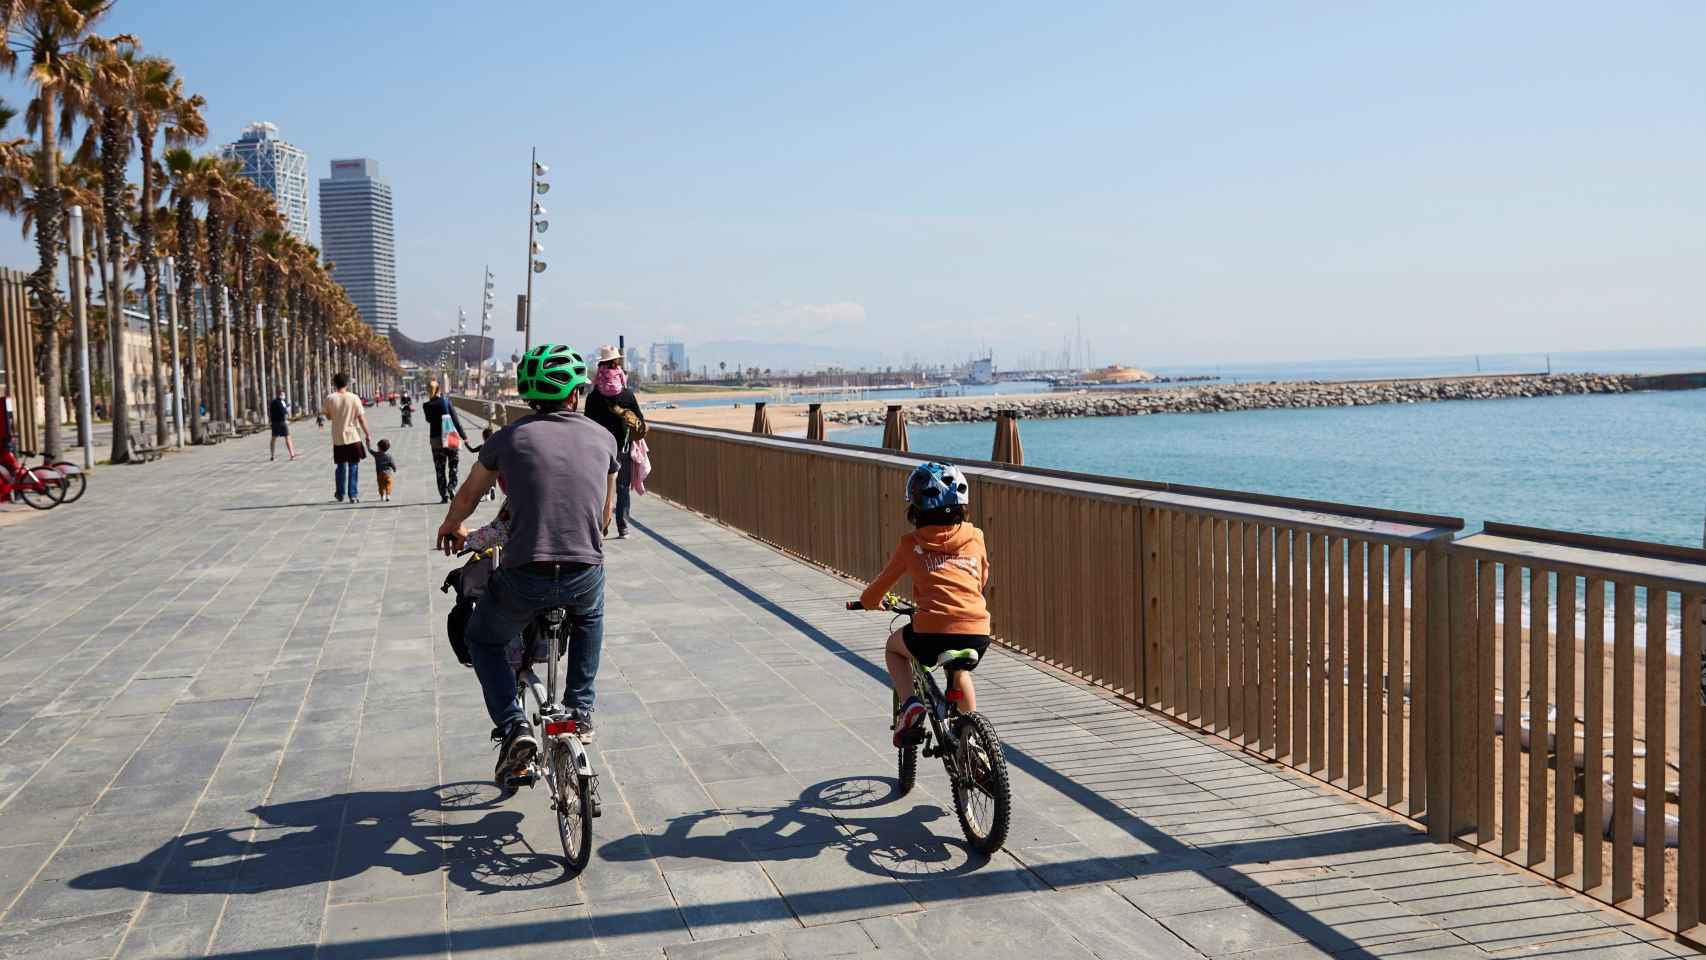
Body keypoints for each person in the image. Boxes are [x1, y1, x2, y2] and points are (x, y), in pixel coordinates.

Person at [436, 343, 617, 782]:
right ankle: (581, 707)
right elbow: (606, 516)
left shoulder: (508, 438)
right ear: (576, 393)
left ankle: (514, 725)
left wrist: (451, 526)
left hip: (524, 574)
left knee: (484, 639)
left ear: (530, 396)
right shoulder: (604, 438)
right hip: (582, 569)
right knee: (590, 616)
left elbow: (469, 494)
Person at [856, 462, 993, 747]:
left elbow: (878, 589)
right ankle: (974, 745)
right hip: (977, 629)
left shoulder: (910, 544)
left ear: (915, 510)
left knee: (894, 648)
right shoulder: (975, 537)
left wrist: (868, 602)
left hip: (931, 633)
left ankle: (910, 705)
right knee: (960, 671)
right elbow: (982, 577)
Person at [584, 345, 646, 538]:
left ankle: (600, 525)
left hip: (598, 449)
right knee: (622, 489)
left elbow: (586, 423)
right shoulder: (627, 395)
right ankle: (623, 527)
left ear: (600, 366)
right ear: (617, 365)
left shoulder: (594, 397)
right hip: (623, 447)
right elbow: (640, 421)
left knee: (600, 489)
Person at [324, 372, 372, 503]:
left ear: (334, 384)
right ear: (347, 384)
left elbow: (328, 416)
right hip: (353, 437)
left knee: (340, 466)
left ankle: (340, 493)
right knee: (353, 466)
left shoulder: (330, 398)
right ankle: (353, 495)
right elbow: (361, 418)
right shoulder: (354, 398)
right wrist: (368, 434)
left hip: (338, 437)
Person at [423, 381, 471, 503]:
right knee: (453, 464)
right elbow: (455, 420)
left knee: (440, 468)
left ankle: (443, 495)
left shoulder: (426, 405)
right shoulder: (445, 401)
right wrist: (464, 436)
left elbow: (429, 420)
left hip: (435, 440)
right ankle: (452, 486)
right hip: (450, 437)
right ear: (439, 389)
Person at [268, 388, 299, 462]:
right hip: (281, 422)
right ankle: (292, 455)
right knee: (288, 438)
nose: (284, 396)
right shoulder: (280, 402)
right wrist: (287, 408)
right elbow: (283, 412)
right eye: (283, 394)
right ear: (280, 395)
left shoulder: (273, 402)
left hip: (274, 423)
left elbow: (270, 412)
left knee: (273, 439)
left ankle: (272, 456)